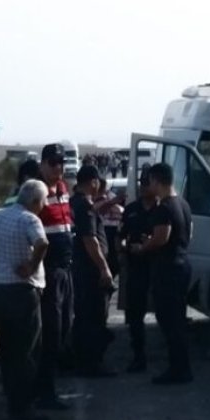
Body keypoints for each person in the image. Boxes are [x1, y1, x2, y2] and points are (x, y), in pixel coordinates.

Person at [0, 179, 51, 420]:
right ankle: (23, 407)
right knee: (26, 352)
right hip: (23, 294)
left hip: (0, 292)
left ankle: (12, 401)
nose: (44, 206)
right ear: (35, 201)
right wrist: (32, 265)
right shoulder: (29, 219)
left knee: (7, 351)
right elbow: (42, 243)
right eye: (43, 201)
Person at [127, 162, 193, 385]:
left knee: (169, 320)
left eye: (150, 181)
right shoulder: (183, 203)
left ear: (157, 181)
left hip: (168, 269)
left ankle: (178, 369)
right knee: (177, 319)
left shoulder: (164, 207)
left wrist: (142, 247)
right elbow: (187, 234)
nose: (149, 185)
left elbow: (161, 237)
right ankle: (181, 366)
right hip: (182, 263)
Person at [36, 144, 75, 409]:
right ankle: (44, 392)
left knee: (63, 329)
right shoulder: (35, 190)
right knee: (50, 333)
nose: (58, 167)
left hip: (65, 268)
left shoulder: (62, 188)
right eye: (53, 162)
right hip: (48, 271)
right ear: (42, 164)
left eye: (61, 162)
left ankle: (50, 385)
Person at [70, 165, 117, 377]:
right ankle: (93, 363)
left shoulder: (75, 203)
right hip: (91, 271)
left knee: (82, 316)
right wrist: (104, 268)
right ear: (94, 182)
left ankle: (81, 360)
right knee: (95, 317)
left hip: (80, 268)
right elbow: (90, 240)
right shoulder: (86, 206)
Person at [119, 170, 158, 373]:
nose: (143, 186)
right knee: (135, 315)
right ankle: (138, 356)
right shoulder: (132, 209)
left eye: (147, 182)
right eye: (141, 182)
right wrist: (125, 245)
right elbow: (122, 235)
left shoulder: (163, 209)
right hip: (136, 267)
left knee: (165, 312)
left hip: (158, 268)